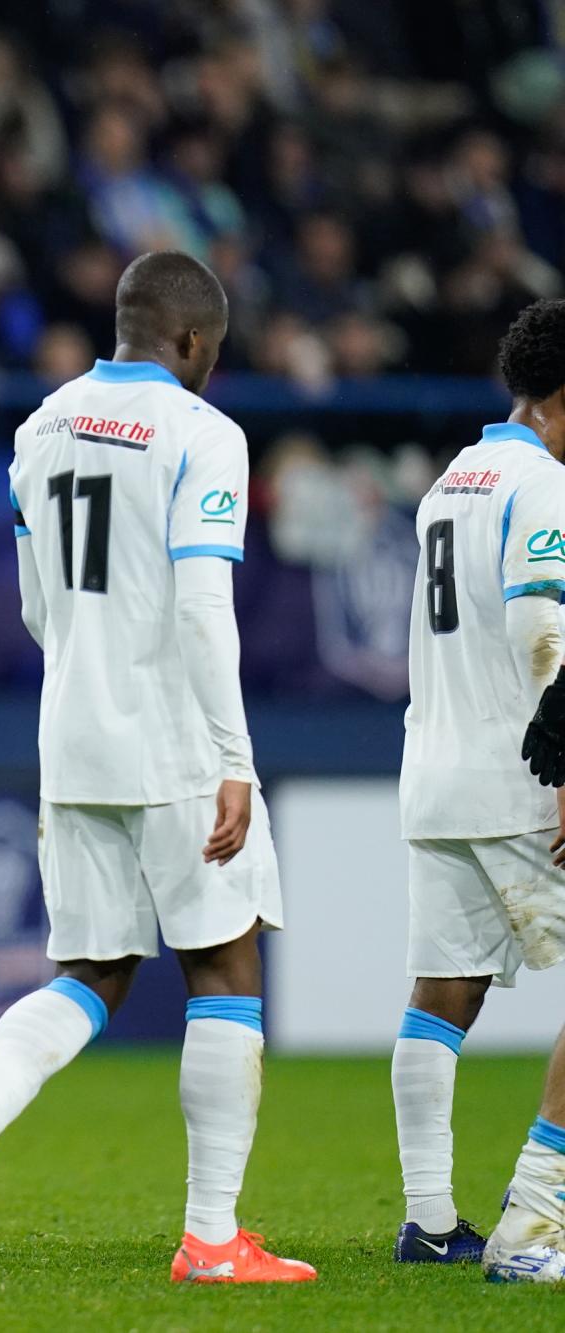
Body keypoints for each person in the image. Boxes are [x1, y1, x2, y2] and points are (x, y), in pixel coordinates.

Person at [0, 252, 315, 1285]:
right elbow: (197, 604)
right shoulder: (200, 434)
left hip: (71, 735)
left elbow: (32, 607)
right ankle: (211, 1235)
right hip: (174, 738)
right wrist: (232, 756)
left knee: (91, 971)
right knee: (223, 970)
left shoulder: (37, 426)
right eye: (212, 354)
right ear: (188, 343)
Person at [436, 298, 565, 1282]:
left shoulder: (453, 477)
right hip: (526, 767)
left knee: (441, 987)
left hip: (444, 757)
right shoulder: (540, 486)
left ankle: (433, 1214)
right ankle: (531, 1220)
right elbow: (538, 627)